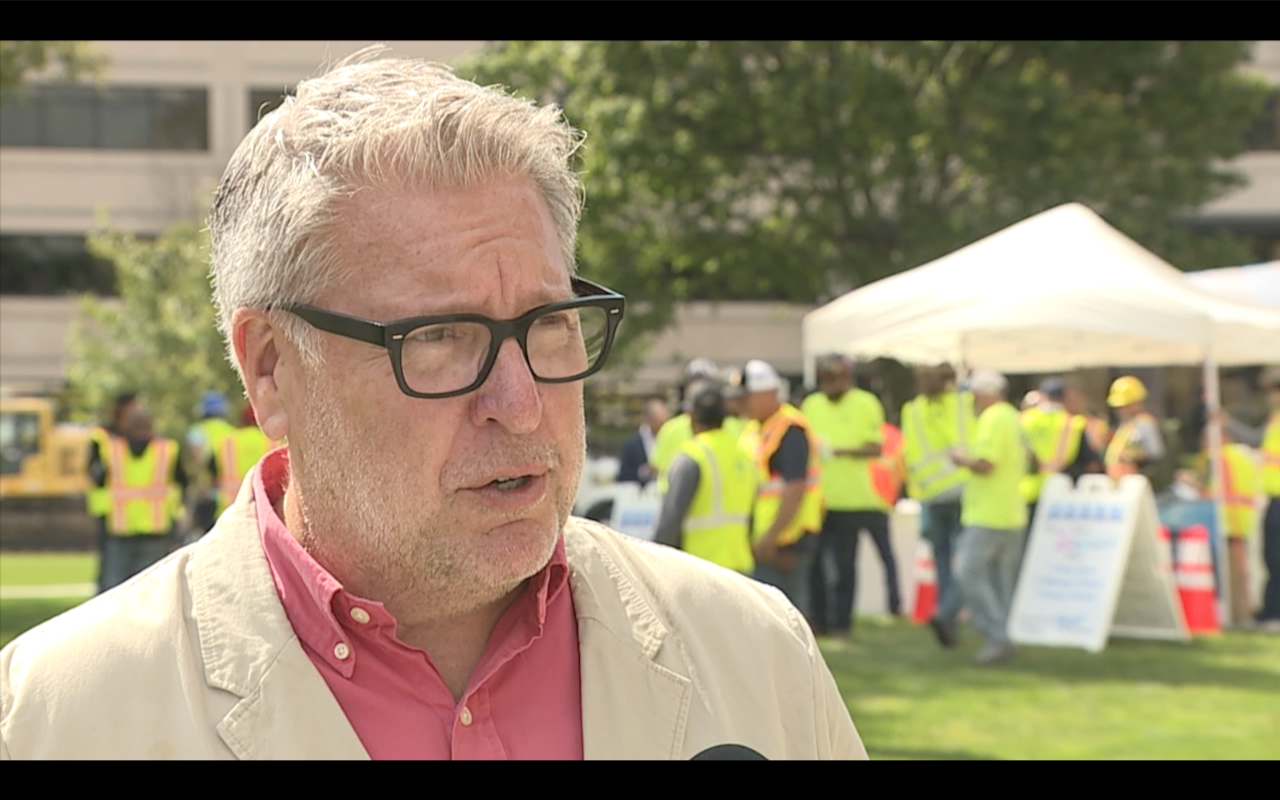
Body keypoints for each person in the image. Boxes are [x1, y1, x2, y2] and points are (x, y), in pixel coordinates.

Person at [0, 50, 865, 760]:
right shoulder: (56, 720)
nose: (519, 404)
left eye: (549, 323)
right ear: (271, 370)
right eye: (440, 337)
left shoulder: (756, 660)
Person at [802, 354, 900, 639]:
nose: (830, 385)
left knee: (844, 566)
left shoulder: (865, 403)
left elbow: (876, 447)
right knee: (815, 565)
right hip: (819, 500)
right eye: (825, 380)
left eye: (835, 379)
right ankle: (818, 621)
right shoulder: (812, 404)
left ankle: (842, 624)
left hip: (854, 500)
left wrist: (840, 451)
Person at [940, 369, 1028, 665]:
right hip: (1009, 510)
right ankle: (1001, 636)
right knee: (999, 581)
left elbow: (986, 464)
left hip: (990, 513)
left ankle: (996, 635)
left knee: (969, 572)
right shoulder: (1011, 417)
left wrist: (960, 458)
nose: (972, 401)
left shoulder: (994, 418)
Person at [740, 359, 825, 620]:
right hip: (766, 536)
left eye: (747, 396)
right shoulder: (754, 429)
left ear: (769, 393)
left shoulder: (790, 429)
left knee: (788, 613)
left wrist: (772, 536)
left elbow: (795, 487)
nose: (743, 403)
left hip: (787, 538)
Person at [900, 363, 976, 648]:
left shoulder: (911, 409)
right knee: (968, 561)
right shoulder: (961, 402)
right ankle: (947, 612)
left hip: (930, 493)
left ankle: (949, 620)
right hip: (962, 489)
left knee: (943, 561)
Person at [652, 385, 757, 575]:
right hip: (740, 567)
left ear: (691, 416)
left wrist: (655, 567)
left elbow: (670, 521)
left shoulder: (691, 456)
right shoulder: (743, 457)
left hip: (701, 569)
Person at [94, 406, 187, 591]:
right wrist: (177, 517)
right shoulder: (167, 450)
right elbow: (181, 485)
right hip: (155, 529)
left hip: (120, 530)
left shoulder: (111, 451)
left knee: (116, 591)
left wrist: (101, 516)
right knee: (151, 591)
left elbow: (99, 484)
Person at [1020, 377, 1101, 546]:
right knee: (1054, 546)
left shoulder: (1025, 419)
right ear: (1063, 398)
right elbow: (1090, 462)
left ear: (1042, 396)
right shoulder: (1074, 423)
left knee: (1028, 544)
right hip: (1061, 493)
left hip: (1027, 490)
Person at [85, 391, 140, 594]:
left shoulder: (137, 436)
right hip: (108, 508)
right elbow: (94, 472)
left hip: (136, 511)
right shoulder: (102, 436)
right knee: (110, 564)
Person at [648, 358, 720, 495]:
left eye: (705, 384)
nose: (699, 390)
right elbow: (656, 468)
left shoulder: (734, 426)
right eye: (693, 384)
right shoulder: (670, 429)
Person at [185, 391, 237, 537]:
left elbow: (196, 462)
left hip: (204, 492)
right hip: (225, 493)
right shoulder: (231, 432)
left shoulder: (196, 432)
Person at [1103, 376, 1165, 486]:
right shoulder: (1126, 425)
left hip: (1138, 482)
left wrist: (1132, 456)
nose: (1120, 410)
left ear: (1136, 403)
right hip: (1120, 481)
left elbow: (1155, 452)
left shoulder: (1145, 423)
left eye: (1124, 406)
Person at [1258, 366, 1280, 632]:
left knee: (1276, 557)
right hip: (1273, 498)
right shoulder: (1275, 419)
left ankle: (1274, 613)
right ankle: (1270, 611)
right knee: (1271, 557)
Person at [615, 396, 669, 487]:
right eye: (658, 422)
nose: (663, 427)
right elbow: (623, 477)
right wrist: (644, 472)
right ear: (648, 420)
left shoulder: (670, 440)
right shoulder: (631, 446)